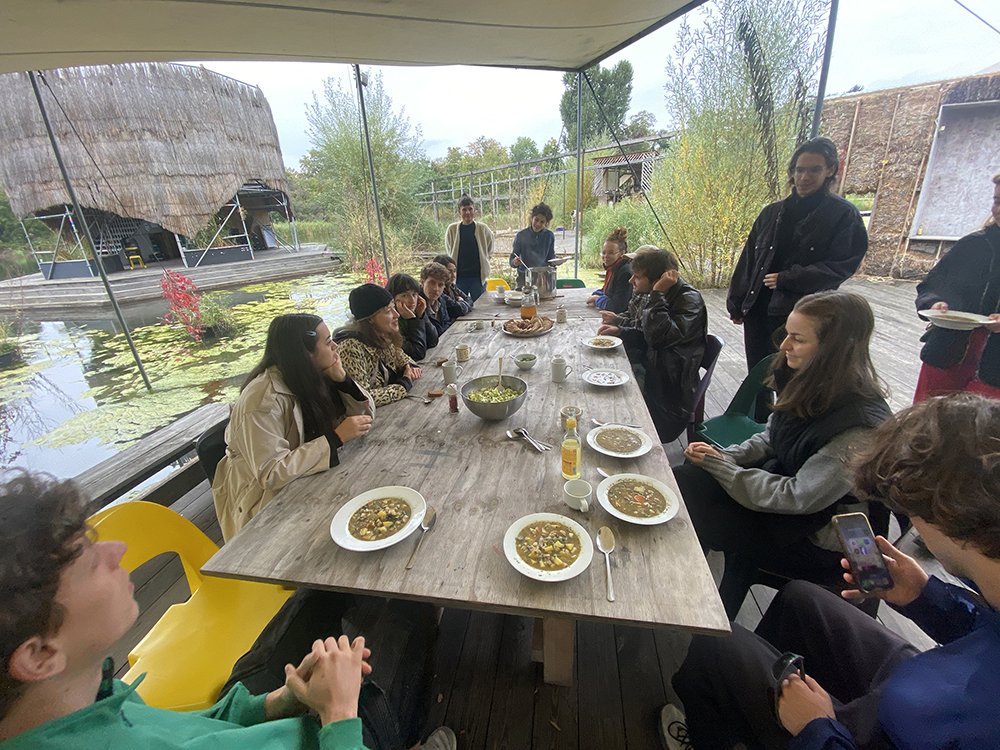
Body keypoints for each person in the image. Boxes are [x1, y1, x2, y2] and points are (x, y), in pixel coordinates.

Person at [0, 470, 457, 750]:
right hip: (337, 737)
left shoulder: (89, 697)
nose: (116, 549)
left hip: (262, 719)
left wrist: (282, 701)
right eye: (88, 563)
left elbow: (195, 731)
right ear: (40, 655)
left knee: (320, 592)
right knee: (409, 608)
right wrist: (339, 713)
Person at [668, 394, 1000, 750]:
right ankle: (744, 714)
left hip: (876, 733)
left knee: (718, 643)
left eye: (911, 512)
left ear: (946, 517)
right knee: (801, 599)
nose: (912, 524)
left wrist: (816, 728)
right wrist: (926, 598)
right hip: (925, 686)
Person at [675, 291, 892, 617]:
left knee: (701, 511)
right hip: (791, 504)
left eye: (798, 339)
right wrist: (727, 456)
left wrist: (724, 468)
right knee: (687, 478)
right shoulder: (808, 379)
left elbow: (797, 497)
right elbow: (771, 436)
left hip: (824, 540)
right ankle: (693, 574)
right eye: (787, 334)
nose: (785, 345)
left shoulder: (859, 427)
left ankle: (700, 602)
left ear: (834, 348)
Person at [213, 313, 375, 541]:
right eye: (328, 342)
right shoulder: (262, 401)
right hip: (262, 506)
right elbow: (271, 473)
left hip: (307, 480)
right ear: (305, 353)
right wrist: (335, 438)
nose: (335, 346)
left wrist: (344, 381)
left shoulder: (313, 374)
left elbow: (366, 417)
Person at [728, 137, 869, 375]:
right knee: (759, 376)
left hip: (802, 314)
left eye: (814, 170)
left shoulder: (844, 215)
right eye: (799, 170)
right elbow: (749, 260)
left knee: (793, 378)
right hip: (758, 310)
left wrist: (789, 278)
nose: (804, 177)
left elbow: (842, 266)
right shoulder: (771, 213)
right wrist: (737, 302)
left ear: (830, 170)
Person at [597, 246, 706, 443]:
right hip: (654, 375)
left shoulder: (689, 300)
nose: (631, 280)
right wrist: (621, 331)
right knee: (600, 373)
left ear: (658, 280)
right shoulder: (664, 295)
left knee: (606, 400)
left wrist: (656, 294)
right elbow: (648, 333)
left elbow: (658, 338)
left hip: (667, 397)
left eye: (637, 277)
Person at [912, 173, 1000, 402]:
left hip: (995, 370)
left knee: (981, 424)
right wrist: (936, 303)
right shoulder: (973, 245)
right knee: (927, 419)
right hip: (948, 351)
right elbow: (933, 286)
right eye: (997, 201)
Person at [335, 284, 422, 408]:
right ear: (370, 318)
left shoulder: (382, 335)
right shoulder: (350, 348)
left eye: (393, 307)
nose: (396, 314)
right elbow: (363, 397)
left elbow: (403, 358)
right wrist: (403, 384)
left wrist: (407, 366)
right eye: (388, 311)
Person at [444, 195, 493, 302]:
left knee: (480, 305)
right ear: (459, 212)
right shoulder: (452, 229)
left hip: (478, 277)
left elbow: (489, 250)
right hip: (459, 278)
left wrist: (485, 260)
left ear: (474, 210)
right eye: (464, 210)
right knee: (460, 306)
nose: (467, 212)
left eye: (470, 209)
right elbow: (449, 250)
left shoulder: (483, 229)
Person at [386, 273, 438, 361]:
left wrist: (421, 316)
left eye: (414, 294)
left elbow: (433, 341)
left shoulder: (414, 313)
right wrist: (412, 320)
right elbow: (417, 353)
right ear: (393, 299)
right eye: (404, 295)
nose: (412, 301)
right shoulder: (391, 321)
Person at [586, 226, 634, 313]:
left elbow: (617, 306)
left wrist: (597, 299)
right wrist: (596, 295)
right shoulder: (613, 268)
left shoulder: (625, 273)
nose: (606, 256)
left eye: (611, 253)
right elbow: (607, 292)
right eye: (604, 252)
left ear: (622, 253)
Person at [509, 202, 555, 290]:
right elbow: (512, 259)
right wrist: (515, 262)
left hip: (543, 279)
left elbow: (551, 259)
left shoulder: (549, 236)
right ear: (531, 218)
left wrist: (556, 262)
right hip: (524, 279)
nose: (538, 224)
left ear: (546, 223)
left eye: (542, 222)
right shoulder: (521, 235)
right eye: (536, 220)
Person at [419, 262, 454, 336]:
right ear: (422, 282)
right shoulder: (417, 304)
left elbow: (446, 323)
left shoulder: (441, 301)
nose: (436, 289)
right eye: (432, 283)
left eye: (440, 285)